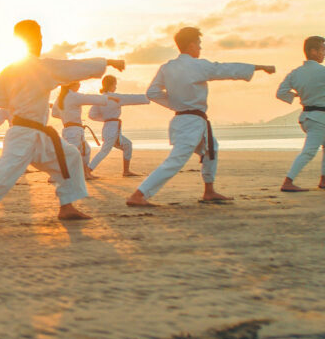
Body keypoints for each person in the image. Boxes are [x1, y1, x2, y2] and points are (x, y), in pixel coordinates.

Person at [0, 20, 125, 225]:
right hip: (24, 134)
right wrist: (108, 62)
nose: (41, 41)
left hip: (38, 133)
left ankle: (67, 206)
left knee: (70, 156)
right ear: (29, 39)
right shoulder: (42, 66)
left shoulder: (10, 69)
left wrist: (19, 102)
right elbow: (74, 67)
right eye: (39, 37)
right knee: (0, 178)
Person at [127, 27, 275, 207]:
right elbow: (226, 69)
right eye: (199, 44)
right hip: (191, 122)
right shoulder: (198, 66)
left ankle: (209, 191)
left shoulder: (167, 67)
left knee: (211, 149)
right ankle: (139, 194)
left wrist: (175, 103)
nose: (200, 48)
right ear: (191, 45)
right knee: (176, 159)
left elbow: (152, 92)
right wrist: (260, 67)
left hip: (184, 119)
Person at [276, 36, 325, 192]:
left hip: (306, 117)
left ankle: (324, 180)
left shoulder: (295, 73)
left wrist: (297, 95)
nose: (324, 53)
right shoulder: (322, 72)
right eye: (322, 49)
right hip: (319, 118)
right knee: (309, 151)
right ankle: (288, 181)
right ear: (313, 51)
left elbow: (281, 93)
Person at [87, 75, 150, 176]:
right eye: (115, 85)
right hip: (112, 129)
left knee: (127, 145)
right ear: (111, 85)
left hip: (109, 127)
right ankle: (88, 170)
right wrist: (150, 97)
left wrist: (106, 119)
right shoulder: (115, 97)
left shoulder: (99, 99)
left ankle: (126, 171)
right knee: (104, 150)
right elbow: (132, 98)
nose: (115, 87)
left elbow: (91, 115)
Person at [52, 82, 113, 179]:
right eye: (78, 83)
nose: (79, 85)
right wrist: (108, 98)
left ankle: (85, 174)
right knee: (71, 153)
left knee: (85, 150)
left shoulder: (61, 98)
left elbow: (54, 113)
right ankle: (55, 174)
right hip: (73, 130)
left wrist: (66, 116)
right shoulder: (73, 95)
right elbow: (89, 98)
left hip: (72, 129)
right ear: (71, 85)